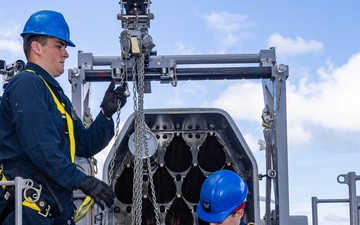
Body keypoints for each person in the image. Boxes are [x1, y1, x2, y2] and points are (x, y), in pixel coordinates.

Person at [0, 10, 127, 225]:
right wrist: (83, 181)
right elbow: (41, 148)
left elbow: (83, 145)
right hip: (28, 214)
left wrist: (106, 113)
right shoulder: (27, 84)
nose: (66, 54)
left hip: (51, 214)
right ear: (36, 47)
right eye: (59, 46)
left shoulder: (55, 95)